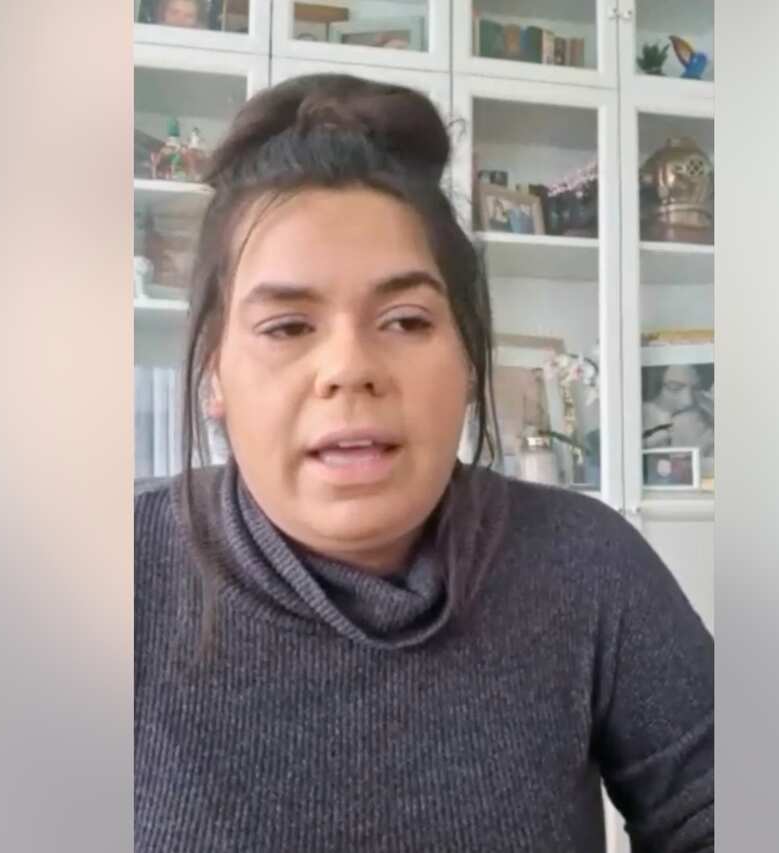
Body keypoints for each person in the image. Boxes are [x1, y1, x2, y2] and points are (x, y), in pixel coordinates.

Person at [134, 73, 714, 852]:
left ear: (469, 361)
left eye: (405, 320)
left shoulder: (587, 566)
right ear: (212, 373)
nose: (349, 367)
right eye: (286, 327)